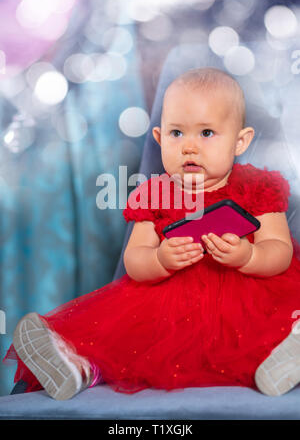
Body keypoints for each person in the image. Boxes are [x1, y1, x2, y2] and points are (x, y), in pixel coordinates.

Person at [4, 67, 300, 400]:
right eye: (177, 134)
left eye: (206, 133)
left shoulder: (257, 187)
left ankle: (283, 358)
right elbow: (136, 260)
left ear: (240, 141)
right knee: (121, 343)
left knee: (262, 330)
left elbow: (280, 250)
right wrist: (160, 258)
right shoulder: (154, 192)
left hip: (245, 297)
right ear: (159, 138)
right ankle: (78, 366)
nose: (189, 147)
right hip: (167, 306)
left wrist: (249, 255)